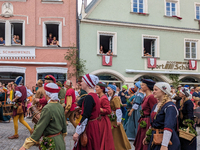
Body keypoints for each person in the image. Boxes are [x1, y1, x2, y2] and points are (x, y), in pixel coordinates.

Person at [19, 82, 67, 150]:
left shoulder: (47, 108)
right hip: (60, 141)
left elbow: (39, 128)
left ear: (47, 94)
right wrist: (63, 138)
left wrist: (25, 146)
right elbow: (64, 127)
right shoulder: (59, 106)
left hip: (51, 143)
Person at [146, 82, 180, 150]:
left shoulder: (170, 107)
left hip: (166, 140)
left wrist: (164, 145)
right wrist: (148, 136)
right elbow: (154, 122)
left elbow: (168, 127)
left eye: (156, 90)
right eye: (153, 90)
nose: (153, 92)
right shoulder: (156, 105)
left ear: (164, 91)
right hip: (155, 138)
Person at [73, 74, 100, 150]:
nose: (81, 83)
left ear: (87, 83)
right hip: (94, 125)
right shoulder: (95, 95)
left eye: (82, 81)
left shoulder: (89, 97)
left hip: (90, 126)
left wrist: (77, 132)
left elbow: (86, 116)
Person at [107, 84, 131, 150]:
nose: (107, 91)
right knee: (113, 133)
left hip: (114, 118)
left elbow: (118, 109)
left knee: (116, 132)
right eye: (107, 89)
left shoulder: (116, 98)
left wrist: (118, 120)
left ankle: (119, 146)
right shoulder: (110, 97)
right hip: (111, 117)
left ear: (113, 90)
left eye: (109, 89)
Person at [95, 82, 115, 150]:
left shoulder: (104, 98)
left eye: (97, 87)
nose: (95, 88)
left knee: (102, 138)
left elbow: (108, 110)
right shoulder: (99, 97)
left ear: (101, 89)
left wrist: (98, 109)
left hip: (103, 121)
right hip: (99, 119)